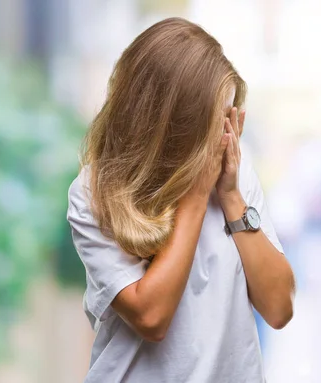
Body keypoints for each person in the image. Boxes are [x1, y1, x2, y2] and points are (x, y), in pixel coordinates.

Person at [66, 18, 295, 383]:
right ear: (169, 121)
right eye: (214, 120)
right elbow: (151, 317)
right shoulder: (94, 191)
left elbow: (279, 308)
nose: (226, 135)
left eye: (229, 117)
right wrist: (196, 195)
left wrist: (232, 197)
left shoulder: (234, 174)